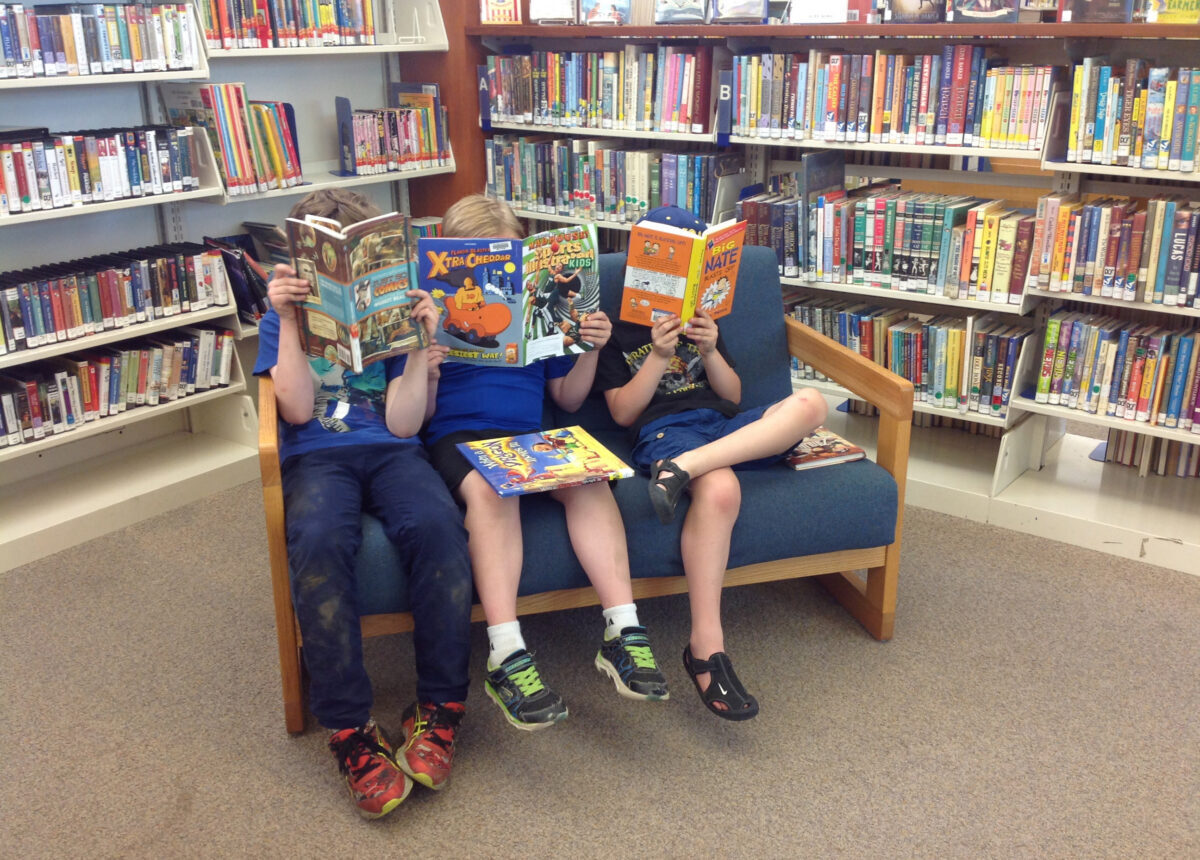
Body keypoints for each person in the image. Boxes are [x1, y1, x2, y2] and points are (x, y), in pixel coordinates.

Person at [256, 188, 473, 819]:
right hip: (315, 455)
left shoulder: (399, 315)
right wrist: (289, 322)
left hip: (390, 449)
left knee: (437, 525)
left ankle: (440, 707)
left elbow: (406, 427)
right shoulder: (280, 321)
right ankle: (350, 730)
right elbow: (295, 409)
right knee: (319, 542)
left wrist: (415, 346)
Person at [423, 194, 669, 731]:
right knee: (492, 490)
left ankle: (623, 631)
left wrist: (588, 349)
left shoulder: (540, 309)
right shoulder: (432, 311)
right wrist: (427, 360)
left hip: (528, 433)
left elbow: (570, 398)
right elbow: (415, 410)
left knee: (590, 479)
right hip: (457, 435)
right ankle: (506, 653)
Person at [594, 205, 828, 722]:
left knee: (812, 403)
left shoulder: (708, 320)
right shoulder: (617, 330)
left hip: (722, 429)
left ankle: (688, 469)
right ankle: (706, 647)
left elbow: (735, 393)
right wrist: (657, 356)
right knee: (720, 491)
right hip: (664, 432)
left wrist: (712, 348)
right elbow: (622, 411)